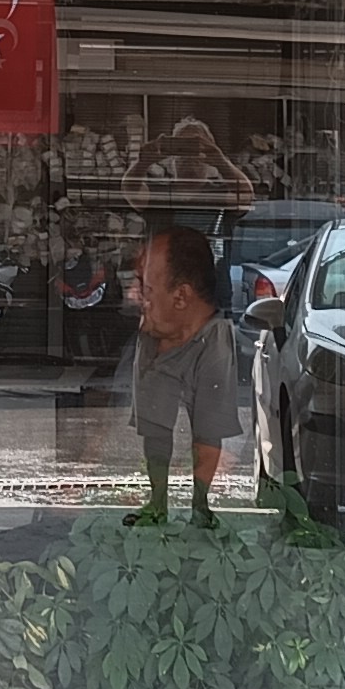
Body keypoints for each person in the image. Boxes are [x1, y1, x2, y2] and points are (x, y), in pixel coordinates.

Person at [122, 224, 245, 527]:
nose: (134, 296)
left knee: (208, 427)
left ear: (181, 297)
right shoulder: (152, 332)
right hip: (160, 340)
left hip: (202, 337)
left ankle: (200, 505)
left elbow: (209, 429)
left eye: (146, 289)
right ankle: (158, 503)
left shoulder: (215, 339)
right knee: (154, 426)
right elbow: (154, 428)